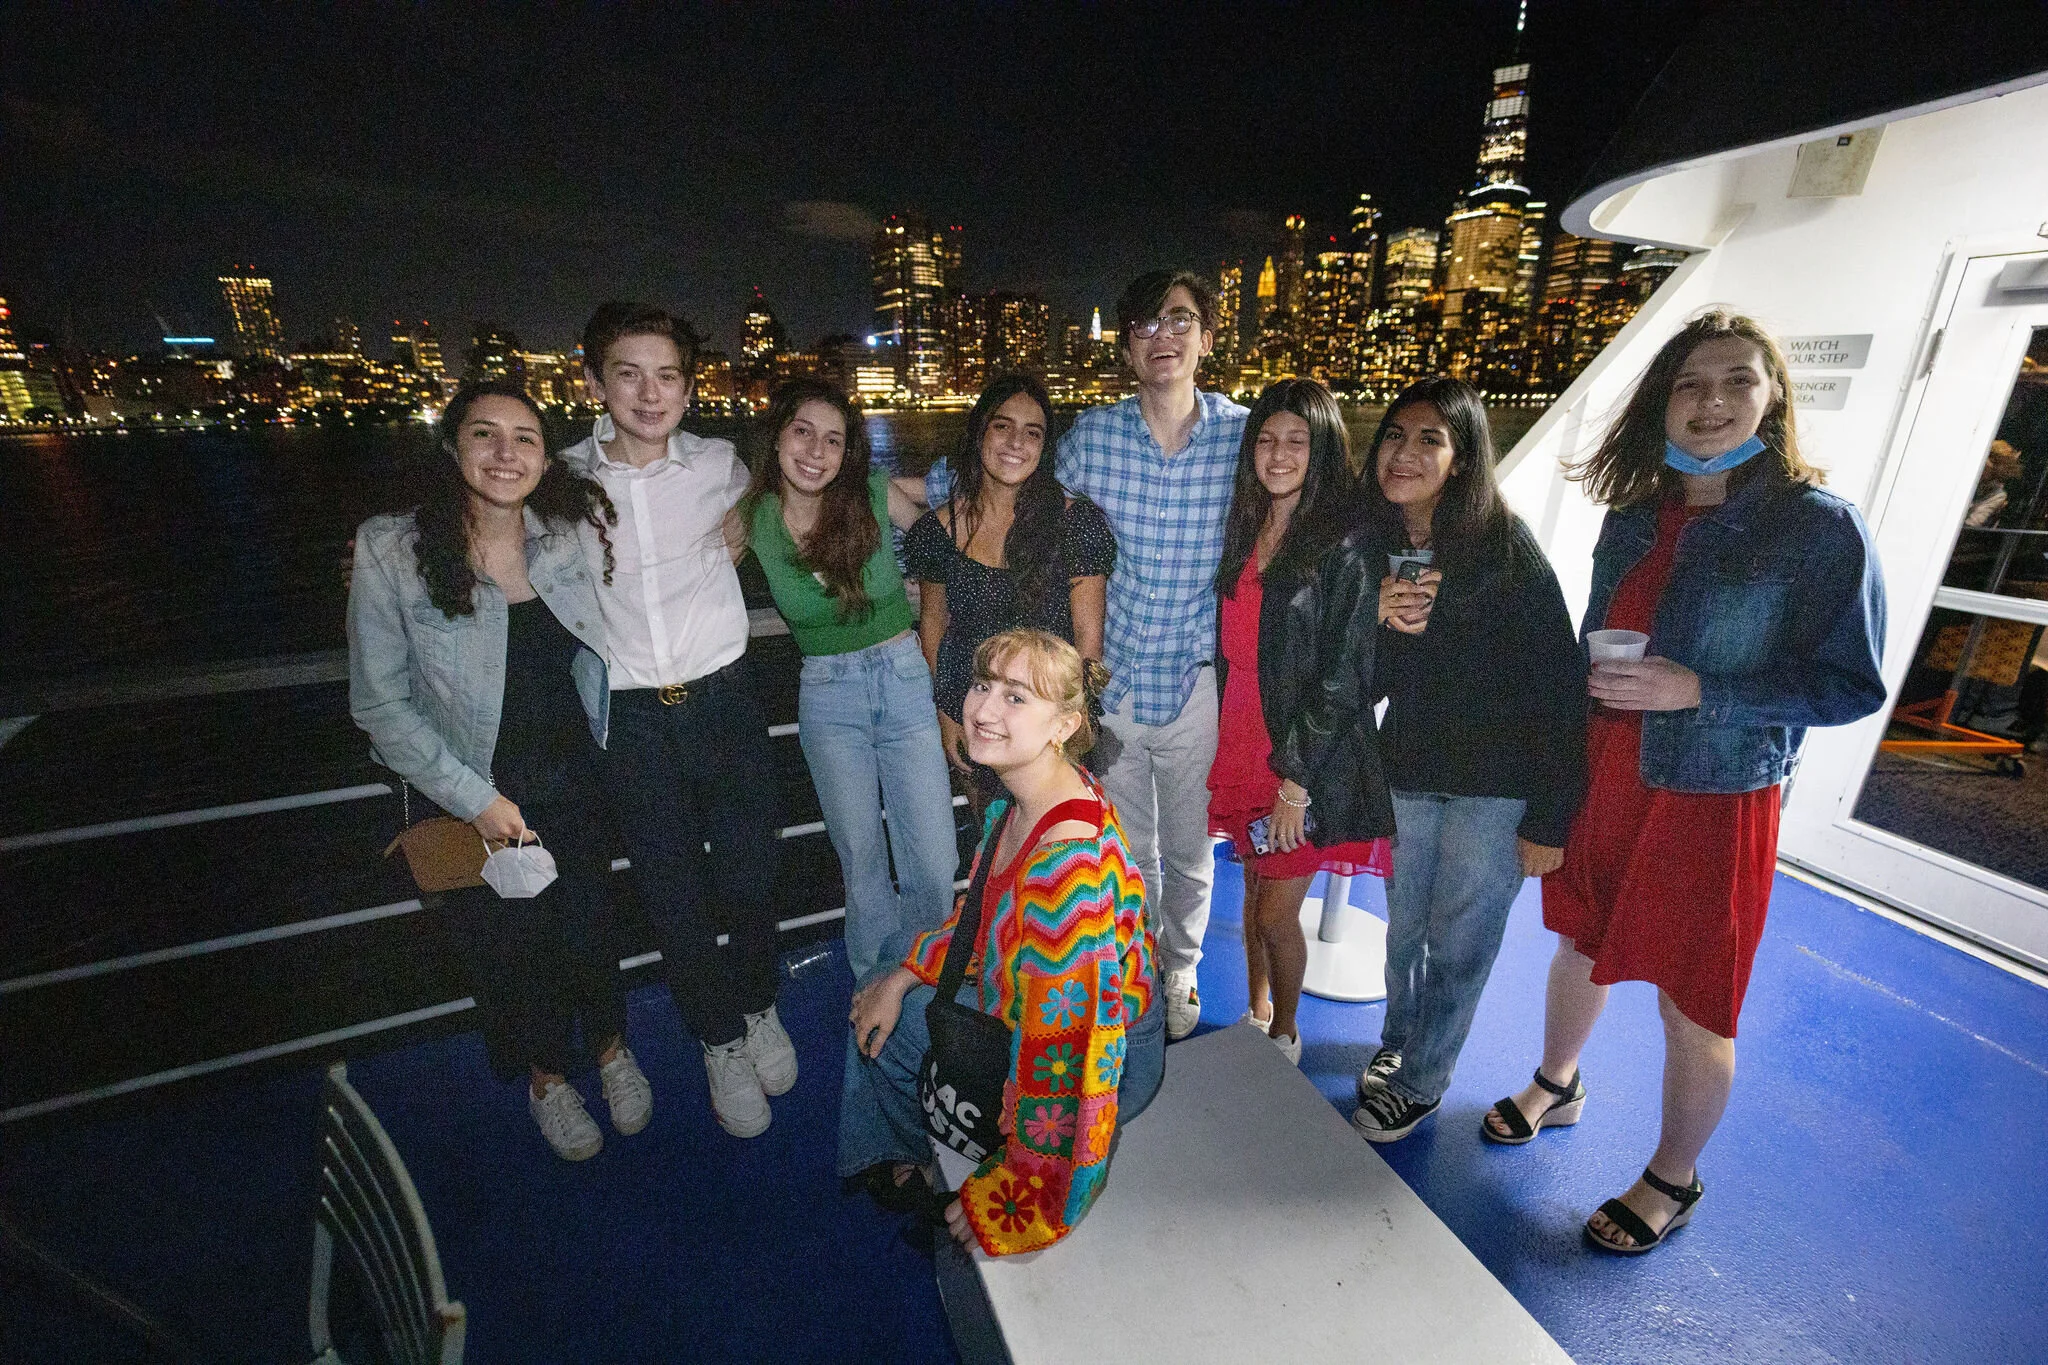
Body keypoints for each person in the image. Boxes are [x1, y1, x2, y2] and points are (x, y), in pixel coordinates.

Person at [1482, 311, 1887, 1255]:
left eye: (1737, 380)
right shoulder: (1635, 515)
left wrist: (1701, 689)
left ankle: (1673, 1174)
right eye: (1690, 384)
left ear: (1772, 396)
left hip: (1713, 798)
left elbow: (1850, 685)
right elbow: (1593, 640)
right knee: (1579, 942)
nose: (1711, 402)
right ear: (1662, 402)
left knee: (1695, 998)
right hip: (1609, 771)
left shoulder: (1818, 527)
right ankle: (1557, 1081)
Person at [912, 270, 1245, 1040]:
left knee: (1191, 847)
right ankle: (1126, 957)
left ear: (1206, 338)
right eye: (1146, 324)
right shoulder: (1091, 438)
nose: (1163, 336)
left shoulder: (1241, 435)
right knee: (1120, 843)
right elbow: (997, 474)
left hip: (1193, 681)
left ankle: (1181, 965)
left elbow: (1304, 495)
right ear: (1127, 346)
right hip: (1113, 684)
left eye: (1180, 320)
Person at [348, 380, 651, 1162]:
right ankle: (548, 1079)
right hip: (472, 790)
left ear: (547, 458)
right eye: (484, 433)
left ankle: (612, 1049)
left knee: (591, 925)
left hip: (576, 779)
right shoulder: (392, 550)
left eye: (525, 437)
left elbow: (653, 532)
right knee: (514, 949)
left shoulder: (565, 535)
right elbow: (379, 706)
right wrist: (477, 800)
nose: (505, 452)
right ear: (452, 446)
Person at [839, 629, 1164, 1256]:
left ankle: (908, 1155)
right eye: (983, 685)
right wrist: (904, 975)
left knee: (885, 1002)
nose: (983, 709)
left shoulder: (1066, 877)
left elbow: (1072, 1056)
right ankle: (900, 1144)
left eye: (1016, 697)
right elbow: (983, 920)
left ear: (1064, 725)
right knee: (892, 959)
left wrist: (1021, 1194)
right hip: (1029, 996)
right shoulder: (1032, 795)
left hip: (1109, 1063)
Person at [559, 302, 795, 1139]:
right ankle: (718, 1039)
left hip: (726, 701)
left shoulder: (721, 465)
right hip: (632, 720)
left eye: (667, 376)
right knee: (673, 893)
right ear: (595, 382)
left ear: (690, 388)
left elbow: (802, 500)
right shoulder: (563, 482)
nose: (650, 393)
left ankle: (758, 1002)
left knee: (752, 873)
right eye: (629, 374)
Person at [1338, 377, 1586, 1143]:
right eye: (1394, 435)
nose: (1404, 452)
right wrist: (1374, 620)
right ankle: (1398, 1043)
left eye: (1430, 439)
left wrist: (1550, 818)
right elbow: (1372, 682)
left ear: (1464, 457)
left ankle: (1423, 1079)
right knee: (1404, 932)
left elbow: (1560, 688)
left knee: (1459, 945)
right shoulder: (1384, 548)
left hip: (1494, 790)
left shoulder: (1506, 550)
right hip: (1410, 772)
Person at [741, 377, 959, 982]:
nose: (816, 451)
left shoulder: (870, 492)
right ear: (777, 437)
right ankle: (873, 986)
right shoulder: (752, 518)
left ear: (847, 451)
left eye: (833, 440)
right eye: (802, 432)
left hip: (905, 679)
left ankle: (921, 983)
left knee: (934, 859)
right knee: (861, 862)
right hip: (827, 694)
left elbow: (936, 539)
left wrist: (925, 587)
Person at [1206, 378, 1391, 1065]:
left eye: (1297, 441)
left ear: (1323, 451)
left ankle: (1286, 1032)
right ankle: (1255, 1014)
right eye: (1266, 439)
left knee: (1276, 913)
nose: (1279, 454)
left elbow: (1345, 675)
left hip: (1302, 756)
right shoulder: (1246, 526)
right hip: (1241, 737)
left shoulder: (1344, 545)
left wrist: (1296, 781)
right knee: (1253, 894)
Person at [902, 373, 1115, 816]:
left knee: (1053, 836)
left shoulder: (1076, 525)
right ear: (980, 432)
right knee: (995, 834)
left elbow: (1088, 641)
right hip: (976, 716)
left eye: (1032, 433)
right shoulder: (937, 532)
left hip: (1047, 725)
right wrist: (947, 715)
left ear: (1045, 447)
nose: (1016, 442)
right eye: (1003, 426)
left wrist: (1064, 728)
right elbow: (934, 627)